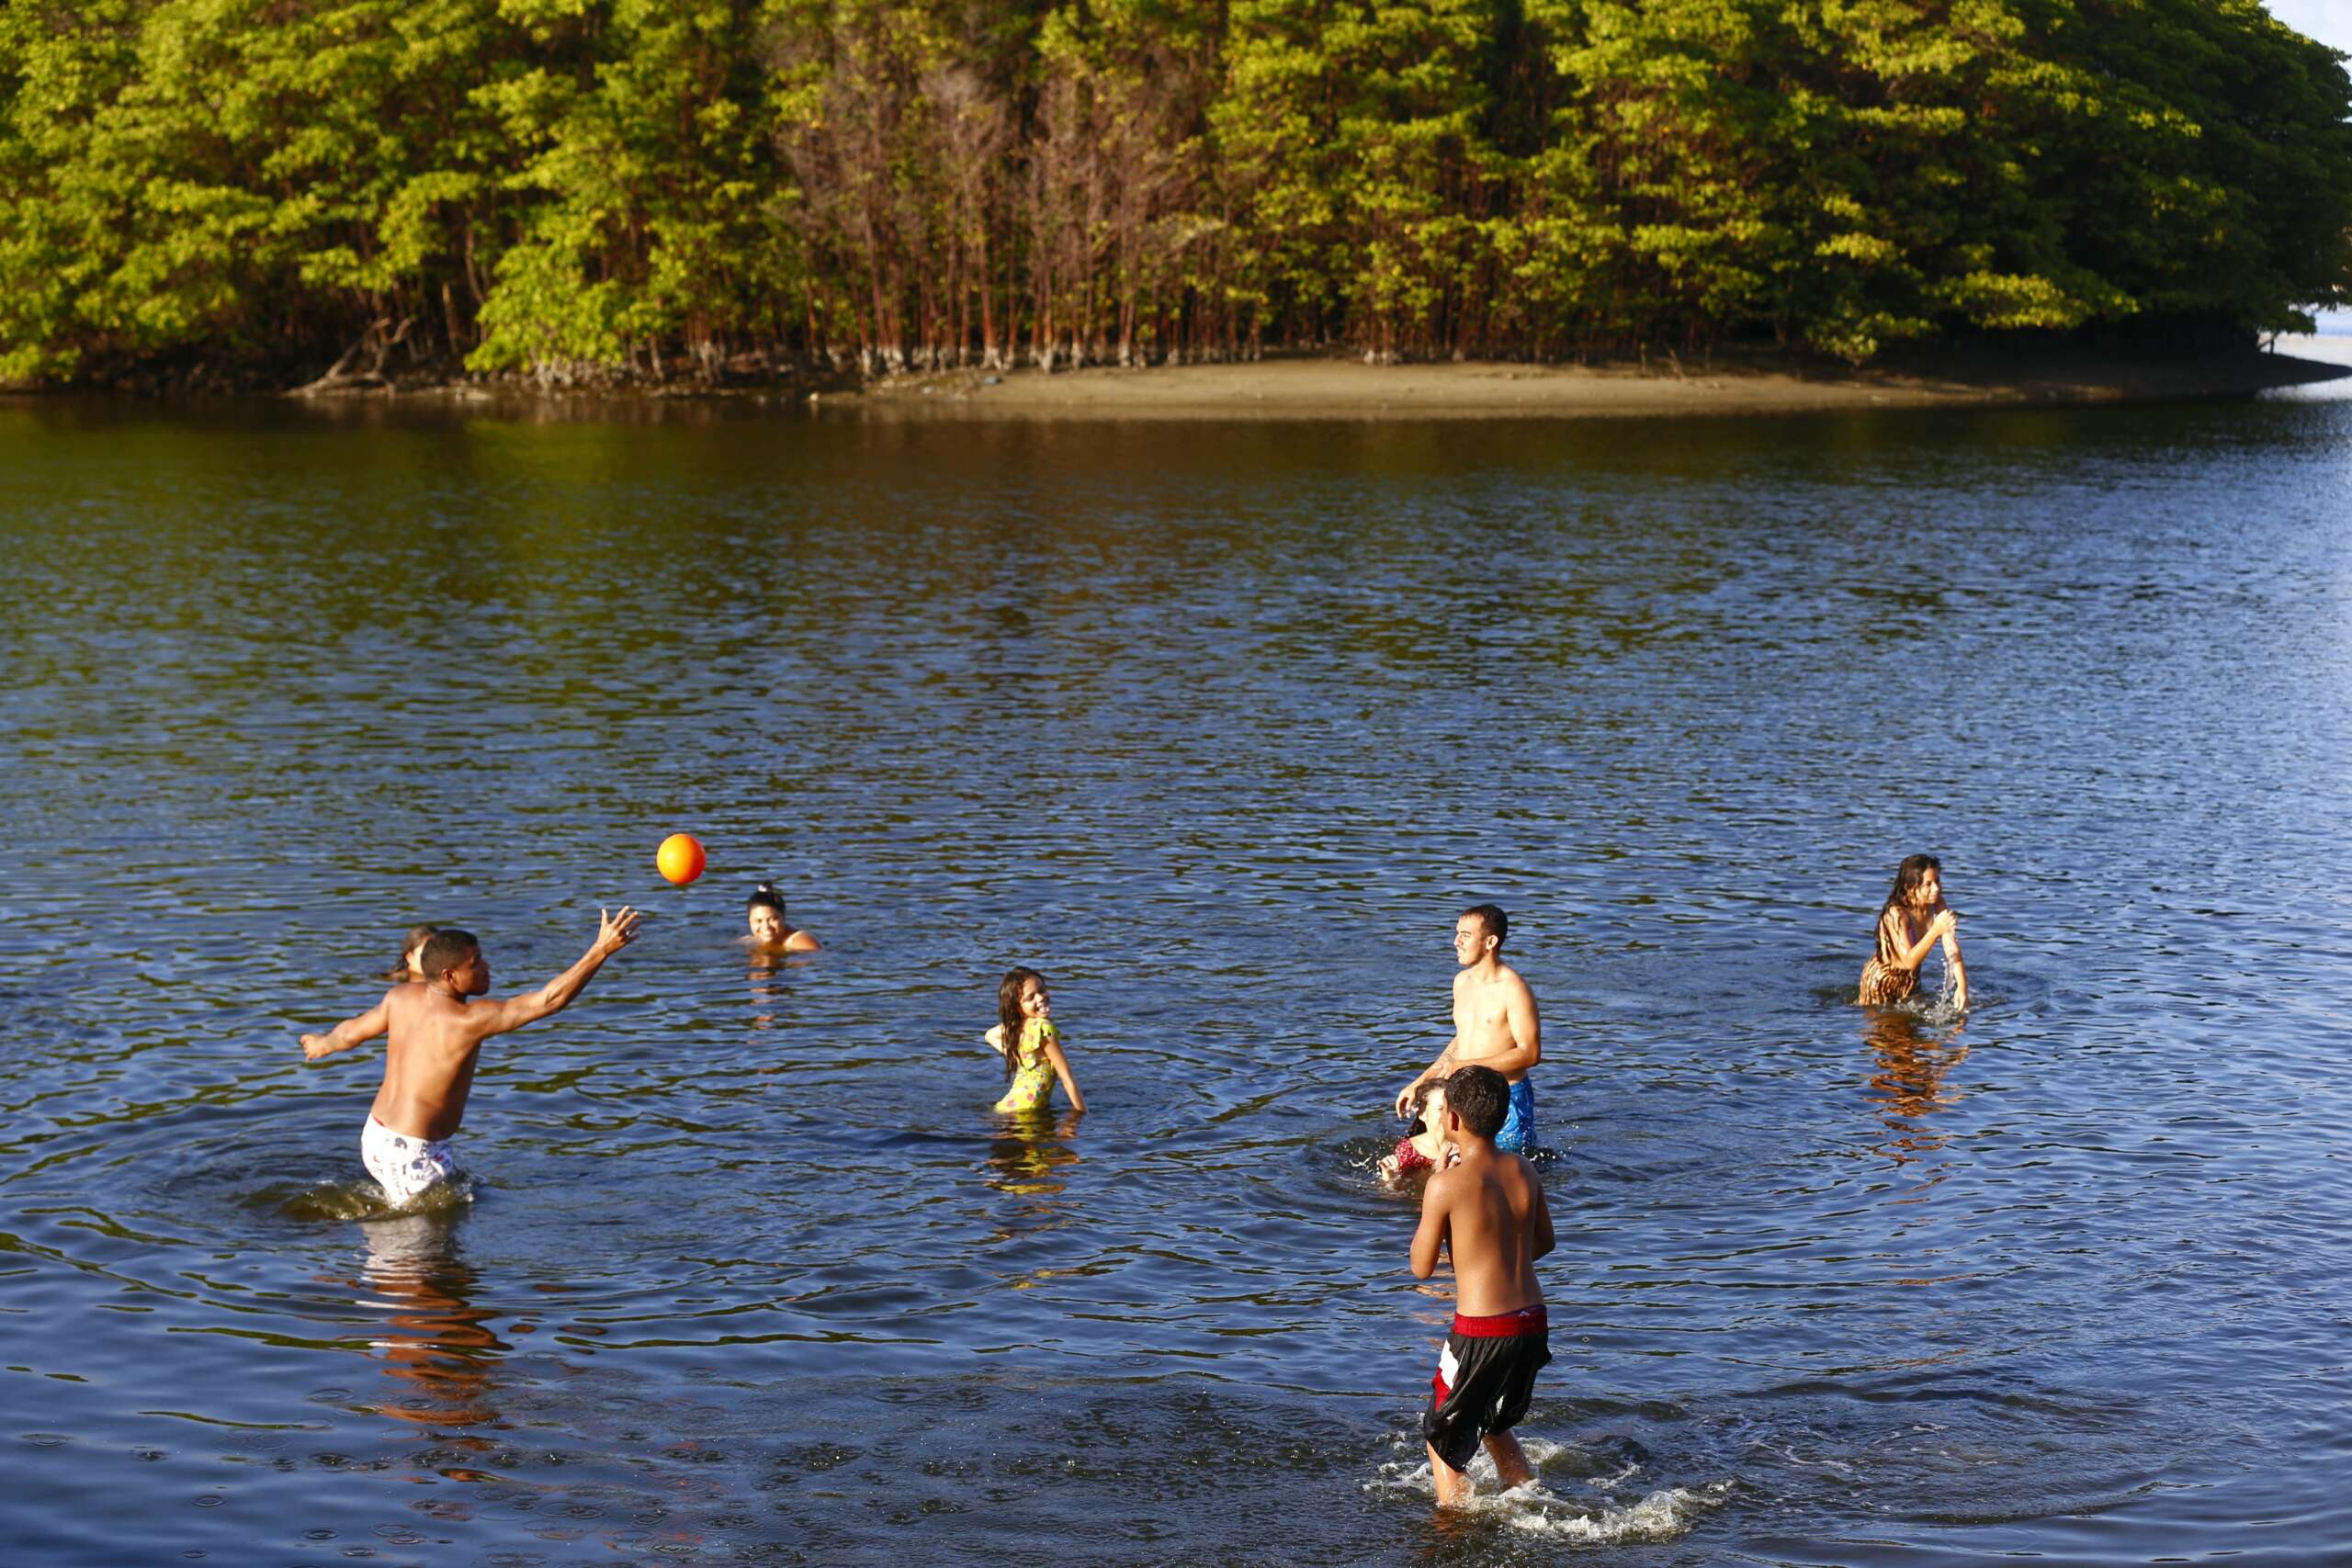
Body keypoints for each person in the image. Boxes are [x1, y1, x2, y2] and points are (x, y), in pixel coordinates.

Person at [300, 908, 643, 1205]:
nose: (487, 968)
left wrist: (323, 1043)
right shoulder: (467, 1021)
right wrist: (600, 950)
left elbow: (351, 1032)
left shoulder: (400, 997)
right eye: (476, 964)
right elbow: (548, 1001)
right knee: (422, 1265)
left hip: (375, 1136)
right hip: (412, 1154)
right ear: (450, 976)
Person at [1410, 1065, 1554, 1506]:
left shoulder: (1444, 1184)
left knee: (1440, 1432)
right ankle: (1530, 1499)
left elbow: (1421, 1266)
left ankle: (1452, 1530)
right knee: (1491, 1420)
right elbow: (1544, 1242)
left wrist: (1434, 1183)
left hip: (1482, 1331)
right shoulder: (1525, 1169)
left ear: (1451, 1120)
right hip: (1532, 1323)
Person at [1394, 903, 1542, 1154]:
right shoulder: (1461, 982)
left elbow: (1530, 1054)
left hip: (1504, 1098)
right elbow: (1461, 1041)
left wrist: (1462, 1066)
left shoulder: (1514, 989)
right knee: (1445, 1164)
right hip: (1464, 1094)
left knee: (1501, 1175)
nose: (1456, 942)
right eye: (1456, 933)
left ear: (1490, 941)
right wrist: (1420, 1083)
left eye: (1466, 935)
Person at [1858, 853, 1967, 1010]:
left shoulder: (1937, 903)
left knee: (1912, 1032)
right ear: (1910, 888)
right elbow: (1908, 961)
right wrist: (1936, 930)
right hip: (1882, 981)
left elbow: (1952, 947)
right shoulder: (1896, 914)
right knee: (1885, 1029)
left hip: (1911, 978)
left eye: (1937, 881)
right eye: (1928, 884)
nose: (1936, 888)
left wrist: (1962, 988)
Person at [984, 966, 1084, 1115]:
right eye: (1031, 997)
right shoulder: (1044, 1028)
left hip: (1007, 1108)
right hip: (1026, 1112)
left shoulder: (1021, 1026)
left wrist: (1017, 1056)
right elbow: (1066, 1077)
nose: (1040, 997)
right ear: (1018, 1007)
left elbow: (990, 1035)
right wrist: (1081, 1114)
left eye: (1042, 990)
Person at [1380, 1081, 1451, 1181]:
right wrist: (1390, 1178)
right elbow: (1395, 1194)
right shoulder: (1408, 1151)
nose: (1449, 1114)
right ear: (1422, 1113)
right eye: (1441, 1109)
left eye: (1452, 1108)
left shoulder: (1466, 1148)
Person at [744, 883, 820, 954]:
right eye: (759, 921)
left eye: (772, 919)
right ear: (749, 921)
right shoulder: (751, 940)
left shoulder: (801, 943)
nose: (766, 927)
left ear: (784, 916)